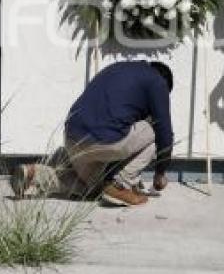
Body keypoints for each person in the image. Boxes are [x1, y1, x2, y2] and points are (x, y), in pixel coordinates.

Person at [11, 61, 173, 206]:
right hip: (104, 142)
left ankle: (35, 175)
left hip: (71, 138)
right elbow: (165, 133)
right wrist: (160, 173)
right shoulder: (157, 82)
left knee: (95, 190)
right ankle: (120, 185)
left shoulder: (116, 69)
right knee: (155, 130)